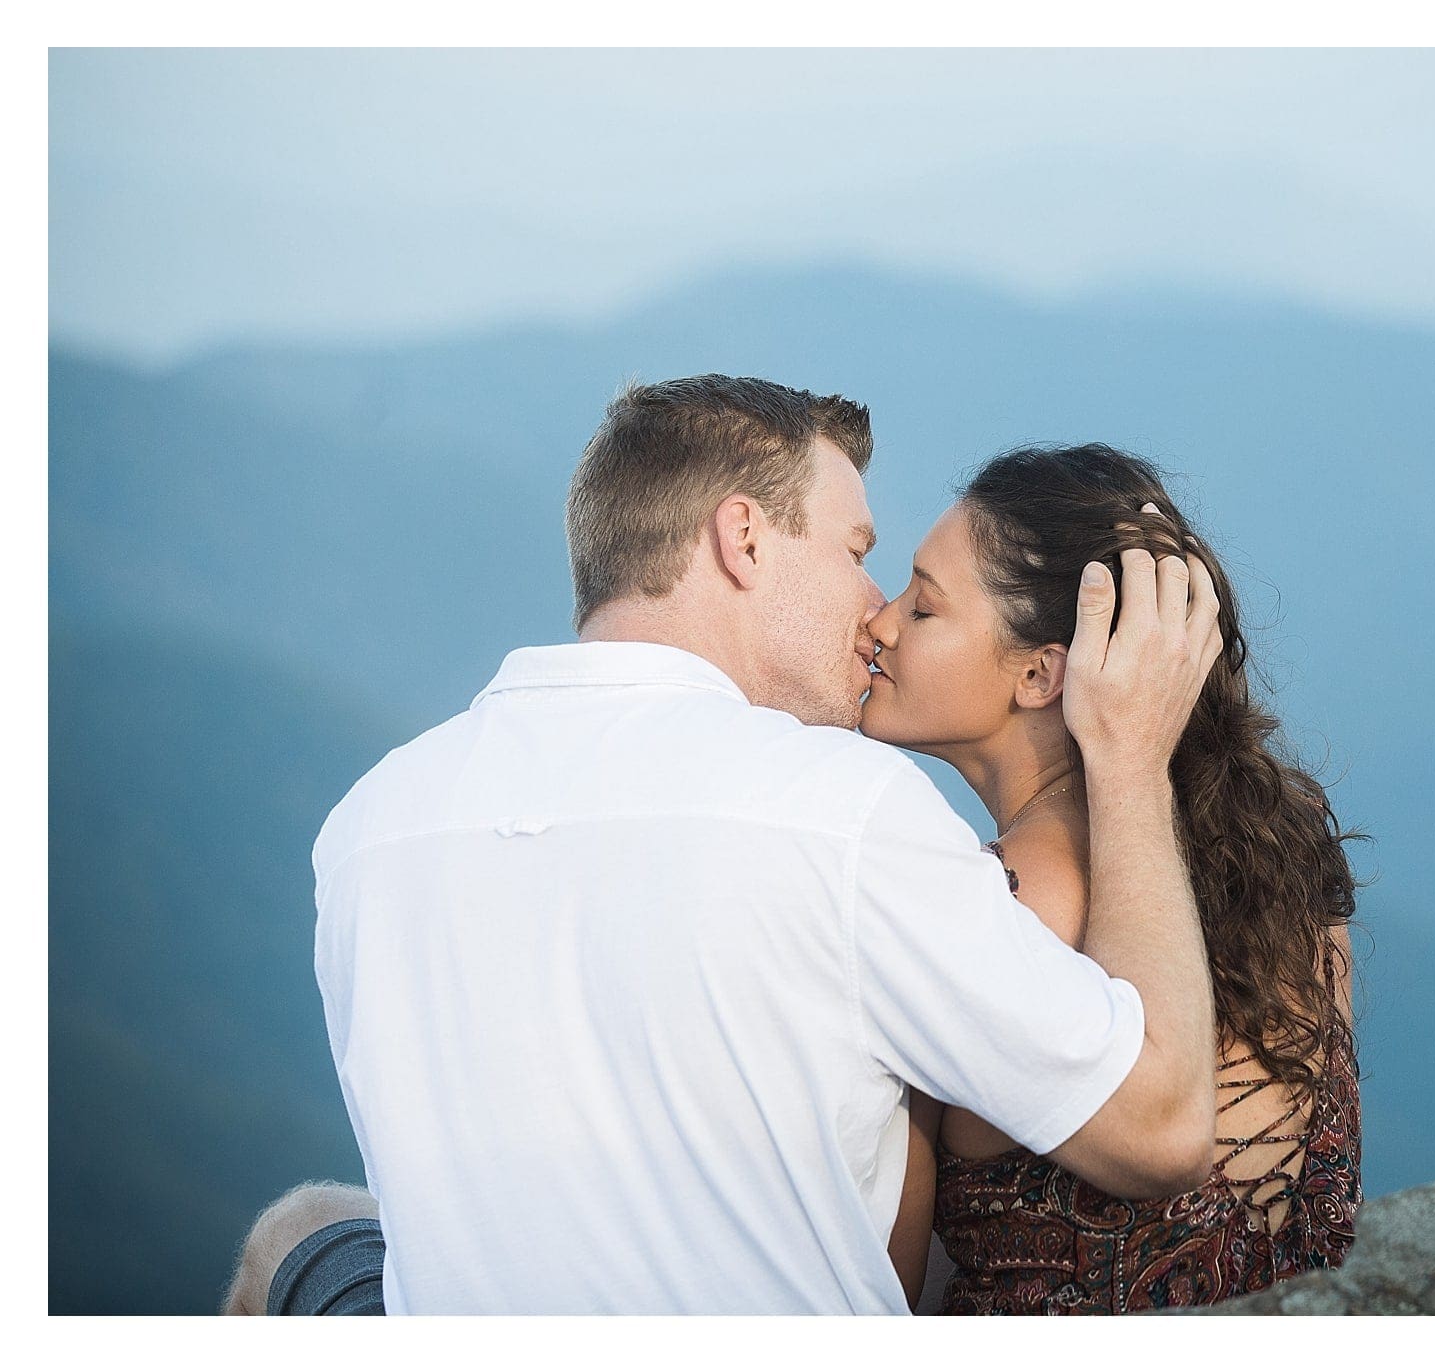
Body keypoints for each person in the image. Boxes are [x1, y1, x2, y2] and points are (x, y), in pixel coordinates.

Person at [227, 375, 1224, 1314]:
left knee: (302, 1228)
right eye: (851, 551)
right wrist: (1129, 759)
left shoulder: (368, 827)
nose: (870, 608)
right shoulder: (840, 811)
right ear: (742, 539)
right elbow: (1159, 1131)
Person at [860, 444, 1364, 1314]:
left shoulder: (1001, 903)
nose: (880, 623)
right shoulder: (1285, 859)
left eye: (924, 606)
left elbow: (880, 1273)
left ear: (1039, 672)